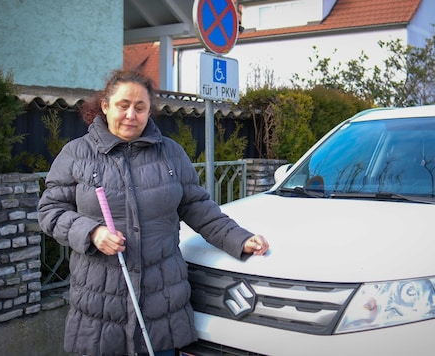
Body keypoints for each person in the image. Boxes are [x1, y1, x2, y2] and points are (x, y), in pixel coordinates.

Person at [38, 69, 269, 356]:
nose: (131, 115)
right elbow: (50, 211)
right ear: (106, 106)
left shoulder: (170, 154)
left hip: (161, 302)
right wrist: (92, 232)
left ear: (149, 111)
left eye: (140, 107)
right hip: (100, 304)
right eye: (123, 105)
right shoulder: (76, 154)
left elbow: (198, 207)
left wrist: (239, 239)